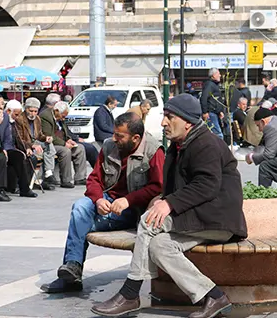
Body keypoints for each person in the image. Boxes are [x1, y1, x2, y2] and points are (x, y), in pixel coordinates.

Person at [92, 95, 247, 318]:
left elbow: (207, 185)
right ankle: (214, 296)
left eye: (169, 117)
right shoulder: (179, 145)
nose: (163, 122)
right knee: (159, 246)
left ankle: (130, 294)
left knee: (148, 221)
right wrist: (161, 199)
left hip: (217, 218)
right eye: (165, 116)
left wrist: (169, 203)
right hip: (199, 216)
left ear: (187, 122)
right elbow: (176, 186)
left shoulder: (206, 144)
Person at [41, 112, 164, 294]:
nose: (114, 139)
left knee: (81, 223)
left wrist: (128, 201)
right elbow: (94, 179)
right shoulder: (108, 146)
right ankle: (73, 266)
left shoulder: (154, 150)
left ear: (135, 138)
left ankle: (72, 273)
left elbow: (158, 187)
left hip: (134, 210)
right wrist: (98, 199)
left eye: (119, 136)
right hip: (108, 202)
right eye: (114, 133)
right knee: (80, 207)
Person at [40, 101, 87, 188]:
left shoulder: (60, 119)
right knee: (65, 151)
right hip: (50, 144)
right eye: (63, 116)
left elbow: (65, 131)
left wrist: (69, 139)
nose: (64, 118)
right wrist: (64, 144)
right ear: (57, 111)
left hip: (61, 141)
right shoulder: (46, 117)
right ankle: (66, 180)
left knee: (80, 148)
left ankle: (80, 178)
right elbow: (49, 135)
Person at [4, 100, 38, 198]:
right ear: (8, 111)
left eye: (19, 114)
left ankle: (23, 187)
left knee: (30, 157)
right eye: (16, 114)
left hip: (13, 148)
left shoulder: (13, 123)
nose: (17, 117)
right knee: (19, 156)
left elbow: (19, 139)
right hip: (4, 149)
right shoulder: (2, 121)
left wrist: (27, 147)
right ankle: (22, 187)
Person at [23, 97, 57, 191]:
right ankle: (48, 173)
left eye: (35, 111)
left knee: (48, 144)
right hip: (27, 144)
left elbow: (39, 135)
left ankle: (48, 173)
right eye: (31, 111)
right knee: (47, 150)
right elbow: (20, 138)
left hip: (36, 141)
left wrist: (46, 138)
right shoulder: (21, 119)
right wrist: (32, 145)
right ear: (26, 109)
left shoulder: (37, 119)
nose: (33, 113)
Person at [200, 68, 225, 139]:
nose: (220, 75)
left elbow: (215, 100)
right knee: (218, 135)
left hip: (214, 113)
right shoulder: (210, 85)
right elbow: (204, 97)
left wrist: (220, 111)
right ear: (213, 75)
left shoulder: (213, 85)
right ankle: (220, 149)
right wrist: (205, 112)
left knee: (215, 134)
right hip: (211, 113)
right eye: (218, 73)